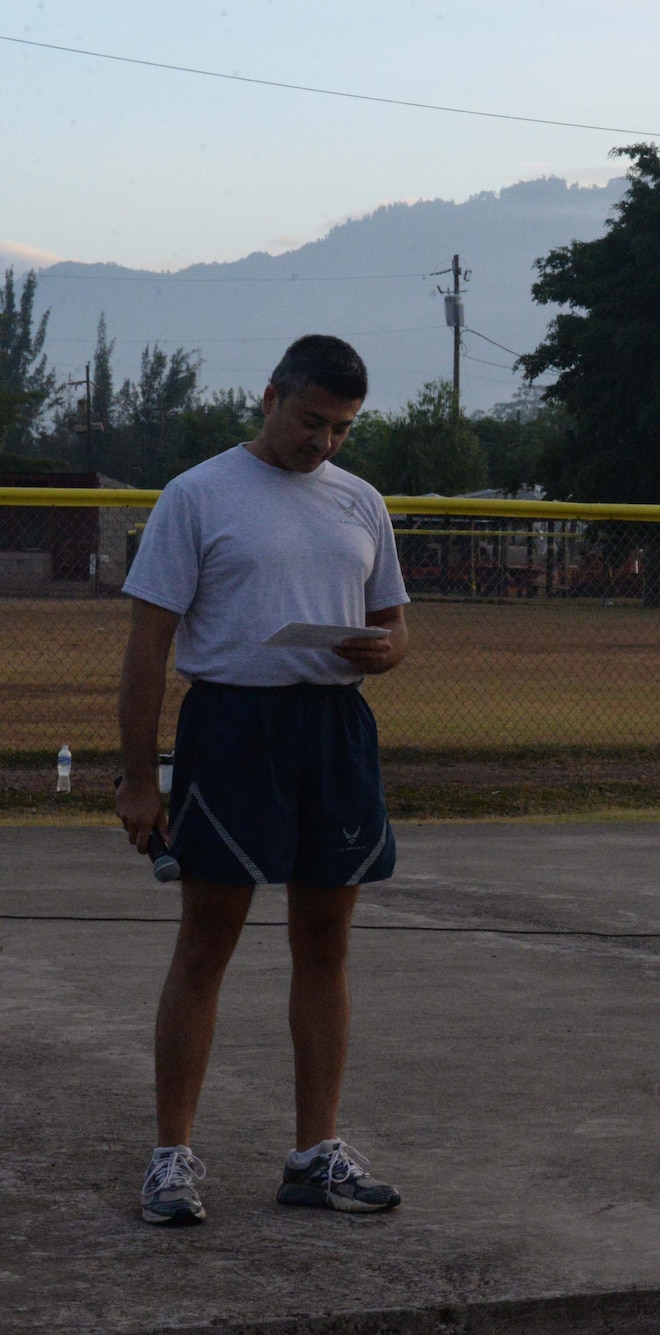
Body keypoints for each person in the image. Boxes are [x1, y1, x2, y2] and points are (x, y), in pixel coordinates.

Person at [115, 335, 411, 1225]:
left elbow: (396, 627)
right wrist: (138, 778)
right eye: (311, 420)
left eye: (343, 429)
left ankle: (316, 1151)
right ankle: (171, 1158)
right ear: (271, 396)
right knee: (206, 943)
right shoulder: (199, 495)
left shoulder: (360, 501)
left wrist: (387, 650)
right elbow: (146, 650)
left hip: (333, 729)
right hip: (233, 726)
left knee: (326, 943)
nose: (323, 443)